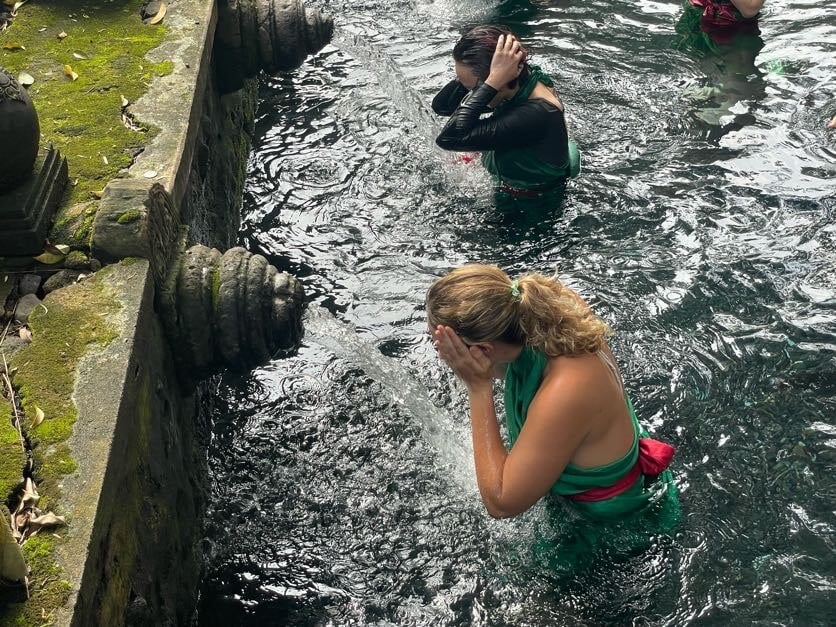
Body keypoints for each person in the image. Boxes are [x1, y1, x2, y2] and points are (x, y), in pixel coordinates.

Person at [426, 264, 678, 523]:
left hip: (613, 522)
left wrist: (478, 388)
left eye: (446, 348)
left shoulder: (566, 389)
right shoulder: (546, 307)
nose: (445, 357)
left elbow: (501, 502)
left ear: (484, 350)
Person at [432, 25, 581, 198]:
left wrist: (492, 81)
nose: (472, 94)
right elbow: (442, 106)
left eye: (474, 89)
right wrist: (485, 80)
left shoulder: (538, 112)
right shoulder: (518, 81)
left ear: (500, 79)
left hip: (530, 204)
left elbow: (449, 138)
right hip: (524, 153)